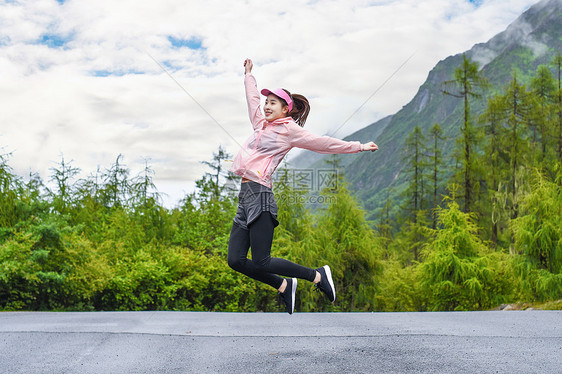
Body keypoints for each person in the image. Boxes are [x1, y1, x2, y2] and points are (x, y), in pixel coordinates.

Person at [227, 58, 378, 314]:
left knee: (262, 261)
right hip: (245, 197)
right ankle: (284, 286)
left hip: (261, 196)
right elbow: (252, 99)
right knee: (235, 260)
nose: (266, 106)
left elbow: (323, 142)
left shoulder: (290, 131)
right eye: (266, 102)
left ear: (286, 109)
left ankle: (317, 276)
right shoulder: (260, 124)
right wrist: (249, 76)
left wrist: (358, 146)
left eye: (272, 103)